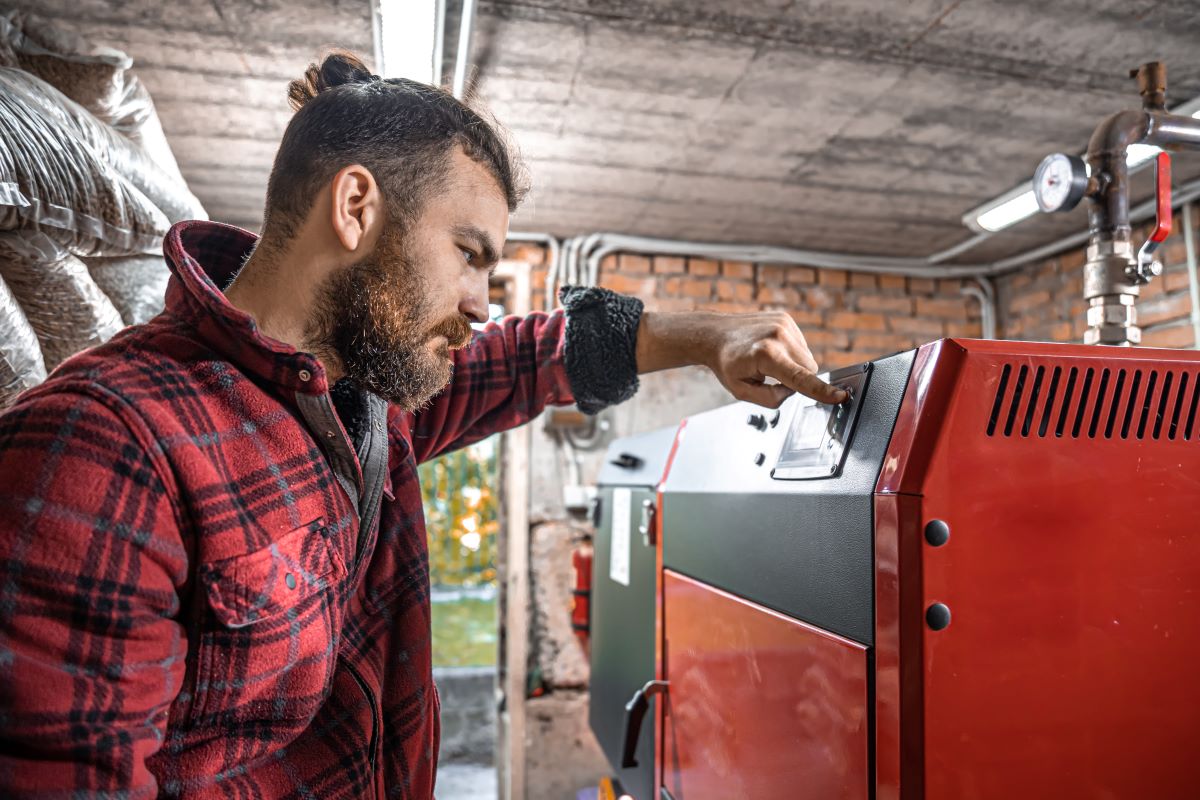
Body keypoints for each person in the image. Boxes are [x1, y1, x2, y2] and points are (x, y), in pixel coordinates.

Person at [0, 51, 844, 799]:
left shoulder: (364, 397)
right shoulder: (105, 447)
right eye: (470, 253)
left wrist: (706, 338)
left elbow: (527, 357)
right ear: (357, 208)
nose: (481, 301)